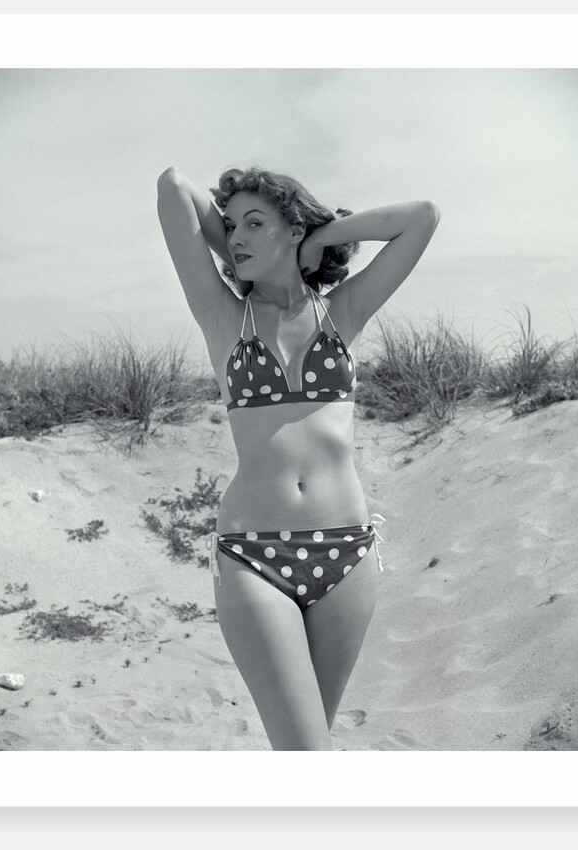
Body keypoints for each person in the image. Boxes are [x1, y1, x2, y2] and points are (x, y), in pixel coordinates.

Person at [156, 165, 439, 750]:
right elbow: (173, 185)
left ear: (292, 227)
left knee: (305, 751)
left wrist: (318, 237)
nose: (235, 236)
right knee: (308, 755)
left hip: (349, 556)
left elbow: (422, 219)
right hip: (253, 557)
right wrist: (249, 246)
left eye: (254, 223)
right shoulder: (222, 316)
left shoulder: (344, 311)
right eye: (229, 225)